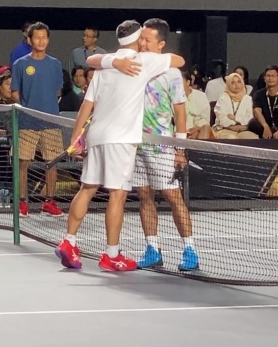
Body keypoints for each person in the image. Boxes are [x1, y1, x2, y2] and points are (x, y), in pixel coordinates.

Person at [54, 19, 185, 271]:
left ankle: (69, 241)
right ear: (137, 40)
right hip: (121, 140)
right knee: (118, 194)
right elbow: (178, 61)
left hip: (96, 135)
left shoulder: (104, 66)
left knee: (87, 188)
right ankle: (112, 255)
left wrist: (75, 137)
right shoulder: (143, 62)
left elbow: (86, 105)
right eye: (142, 39)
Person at [127, 18, 199, 271]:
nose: (142, 43)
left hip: (162, 145)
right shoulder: (132, 66)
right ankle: (152, 248)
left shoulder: (172, 73)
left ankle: (190, 249)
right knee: (144, 195)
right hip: (136, 143)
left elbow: (180, 113)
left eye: (147, 39)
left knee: (172, 196)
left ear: (161, 44)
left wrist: (180, 148)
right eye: (141, 39)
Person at [11, 22, 64, 217]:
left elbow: (57, 90)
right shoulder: (20, 64)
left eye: (44, 37)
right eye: (37, 37)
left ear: (47, 40)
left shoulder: (55, 64)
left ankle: (49, 202)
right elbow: (15, 92)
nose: (41, 41)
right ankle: (22, 202)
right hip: (27, 122)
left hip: (51, 121)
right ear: (29, 40)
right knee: (22, 162)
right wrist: (28, 108)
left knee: (52, 162)